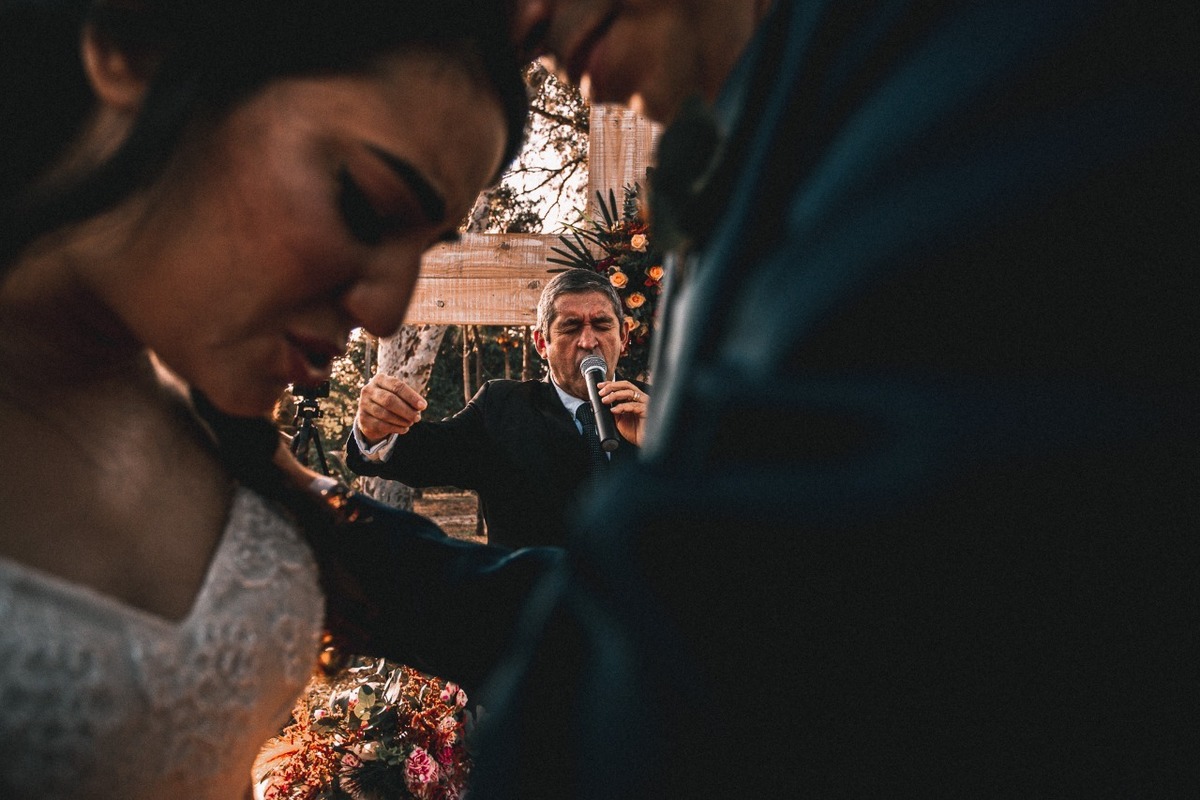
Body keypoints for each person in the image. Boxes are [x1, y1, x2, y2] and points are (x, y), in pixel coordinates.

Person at [467, 0, 1200, 797]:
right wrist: (389, 567)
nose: (525, 25)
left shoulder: (972, 57)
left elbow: (804, 574)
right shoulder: (748, 159)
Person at [0, 2, 542, 797]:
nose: (389, 310)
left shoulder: (231, 447)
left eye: (425, 250)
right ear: (136, 50)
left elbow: (494, 611)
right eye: (365, 201)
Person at [346, 267, 651, 548]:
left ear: (623, 336)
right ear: (542, 344)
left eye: (601, 324)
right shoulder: (502, 407)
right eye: (570, 328)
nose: (588, 340)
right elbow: (427, 453)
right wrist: (376, 430)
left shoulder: (663, 407)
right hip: (533, 600)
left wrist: (670, 444)